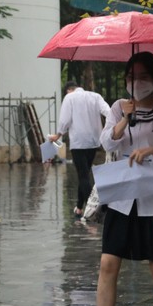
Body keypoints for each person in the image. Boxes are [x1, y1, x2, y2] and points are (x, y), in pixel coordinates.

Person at [87, 52, 153, 306]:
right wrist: (125, 117)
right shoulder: (118, 107)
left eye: (144, 76)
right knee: (108, 264)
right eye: (131, 77)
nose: (136, 82)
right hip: (122, 199)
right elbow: (107, 142)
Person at [49, 81, 111, 218]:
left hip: (78, 142)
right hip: (94, 141)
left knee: (83, 175)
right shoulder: (95, 96)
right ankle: (79, 207)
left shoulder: (69, 98)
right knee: (84, 173)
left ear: (69, 90)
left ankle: (92, 208)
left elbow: (64, 120)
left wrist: (58, 135)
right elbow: (108, 111)